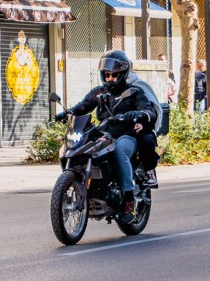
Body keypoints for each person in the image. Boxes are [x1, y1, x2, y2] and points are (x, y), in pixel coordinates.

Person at [55, 50, 158, 218]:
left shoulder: (134, 92)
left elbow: (149, 111)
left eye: (114, 75)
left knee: (120, 150)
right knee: (78, 148)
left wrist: (136, 114)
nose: (110, 78)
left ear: (123, 74)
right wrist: (67, 113)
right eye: (107, 74)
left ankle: (128, 199)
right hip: (103, 135)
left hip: (126, 135)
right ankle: (86, 186)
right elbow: (82, 107)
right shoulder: (99, 93)